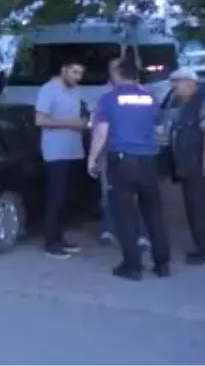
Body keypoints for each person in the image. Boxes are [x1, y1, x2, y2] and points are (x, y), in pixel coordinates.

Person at [88, 58, 171, 280]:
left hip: (122, 161)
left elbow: (100, 133)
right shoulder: (150, 98)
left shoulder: (109, 99)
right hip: (149, 161)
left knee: (125, 215)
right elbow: (161, 130)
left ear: (117, 74)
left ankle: (132, 266)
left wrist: (92, 159)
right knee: (154, 214)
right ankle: (162, 265)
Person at [161, 68, 205, 265]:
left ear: (191, 84)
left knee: (204, 210)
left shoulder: (204, 101)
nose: (174, 87)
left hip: (203, 167)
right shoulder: (183, 103)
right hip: (190, 166)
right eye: (173, 83)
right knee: (194, 209)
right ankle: (203, 248)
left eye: (178, 83)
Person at [34, 56, 90, 258]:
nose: (78, 77)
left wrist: (83, 121)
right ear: (64, 69)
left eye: (80, 74)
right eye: (75, 72)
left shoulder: (76, 90)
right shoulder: (49, 89)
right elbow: (40, 120)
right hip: (56, 152)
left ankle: (60, 238)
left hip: (73, 150)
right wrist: (71, 124)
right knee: (55, 198)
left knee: (67, 198)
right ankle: (51, 242)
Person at [96, 57, 149, 248]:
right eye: (111, 68)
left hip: (124, 152)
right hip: (116, 151)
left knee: (131, 195)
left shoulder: (138, 93)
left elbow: (100, 128)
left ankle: (139, 234)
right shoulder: (105, 93)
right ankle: (109, 230)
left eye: (115, 69)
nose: (113, 73)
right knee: (108, 193)